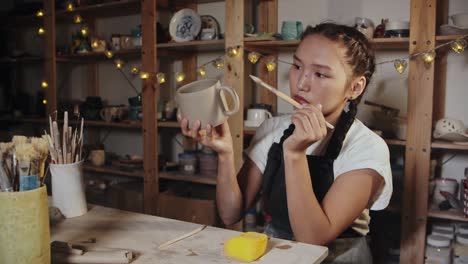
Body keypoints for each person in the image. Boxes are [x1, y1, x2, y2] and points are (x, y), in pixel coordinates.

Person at [179, 23, 392, 263]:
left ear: (355, 87)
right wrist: (225, 154)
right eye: (297, 66)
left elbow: (313, 240)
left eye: (320, 74)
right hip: (277, 252)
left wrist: (294, 153)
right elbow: (230, 214)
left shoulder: (367, 147)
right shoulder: (272, 129)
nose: (301, 83)